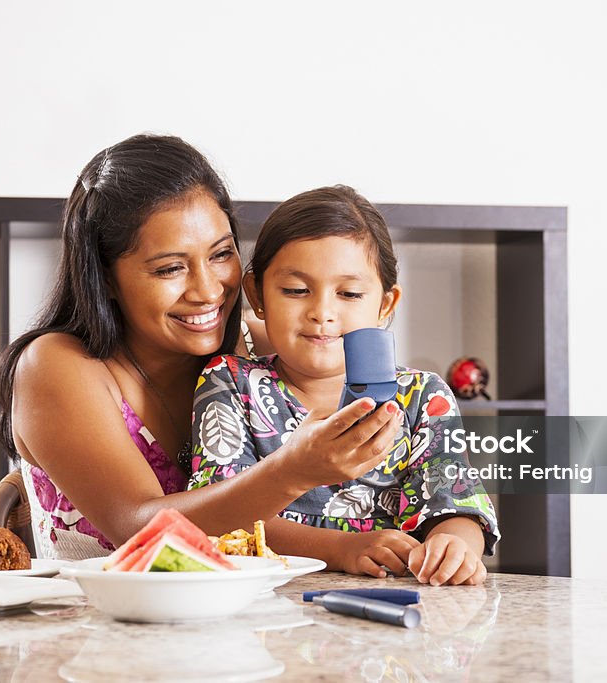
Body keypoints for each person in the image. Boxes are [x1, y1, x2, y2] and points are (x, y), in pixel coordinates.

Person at [0, 135, 400, 560]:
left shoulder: (257, 349)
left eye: (221, 254)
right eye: (171, 268)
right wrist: (292, 472)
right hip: (103, 622)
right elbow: (139, 530)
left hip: (253, 620)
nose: (208, 291)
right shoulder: (57, 365)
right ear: (105, 276)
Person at [188, 185, 499, 585]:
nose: (322, 312)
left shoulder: (424, 396)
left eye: (349, 293)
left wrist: (454, 545)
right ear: (257, 294)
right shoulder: (230, 383)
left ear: (385, 305)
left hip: (390, 620)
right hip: (266, 616)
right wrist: (340, 549)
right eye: (296, 290)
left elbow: (454, 503)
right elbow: (221, 516)